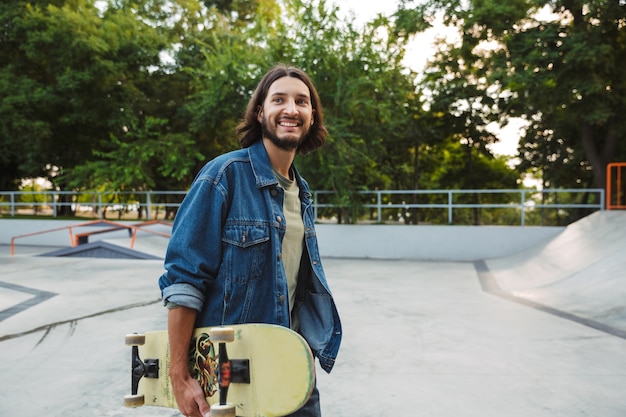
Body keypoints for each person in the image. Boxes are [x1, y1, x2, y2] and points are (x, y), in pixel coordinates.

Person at [158, 64, 342, 417]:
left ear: (312, 115)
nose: (291, 109)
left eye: (301, 101)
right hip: (230, 373)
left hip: (291, 366)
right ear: (260, 112)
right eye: (279, 100)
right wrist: (179, 375)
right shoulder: (223, 176)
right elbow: (184, 281)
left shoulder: (301, 194)